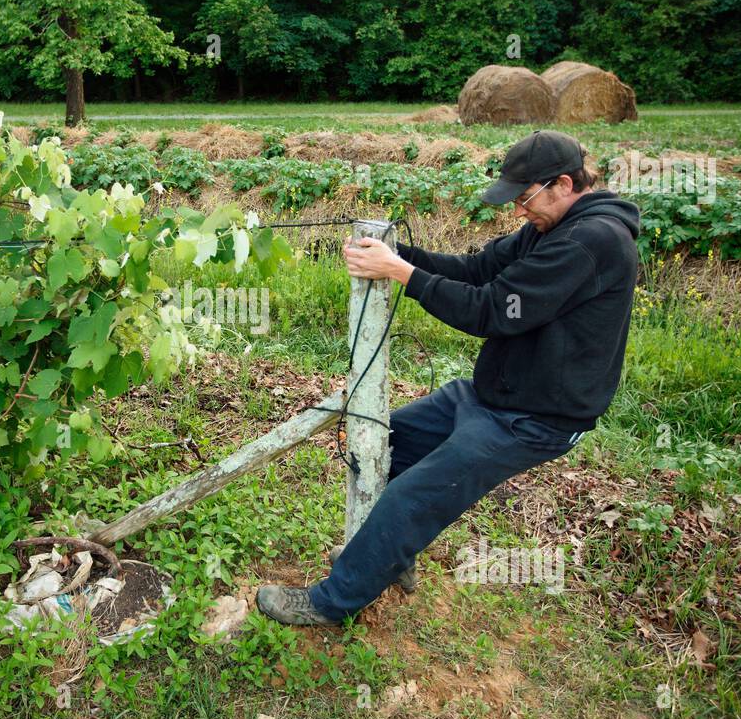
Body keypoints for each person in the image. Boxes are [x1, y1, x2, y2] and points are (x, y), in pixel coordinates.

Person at [257, 129, 642, 625]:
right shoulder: (547, 229)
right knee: (383, 440)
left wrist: (400, 274)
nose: (519, 212)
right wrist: (399, 256)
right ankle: (389, 559)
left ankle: (331, 603)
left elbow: (491, 310)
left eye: (525, 199)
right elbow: (478, 269)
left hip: (535, 416)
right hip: (491, 395)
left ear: (563, 184)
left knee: (411, 496)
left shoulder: (592, 242)